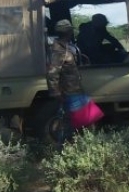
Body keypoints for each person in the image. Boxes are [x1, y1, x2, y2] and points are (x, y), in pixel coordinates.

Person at [46, 19, 82, 148]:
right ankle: (64, 149)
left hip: (74, 89)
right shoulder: (59, 50)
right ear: (68, 31)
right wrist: (55, 92)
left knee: (83, 119)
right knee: (69, 123)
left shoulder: (67, 46)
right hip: (68, 91)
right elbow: (52, 72)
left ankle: (75, 146)